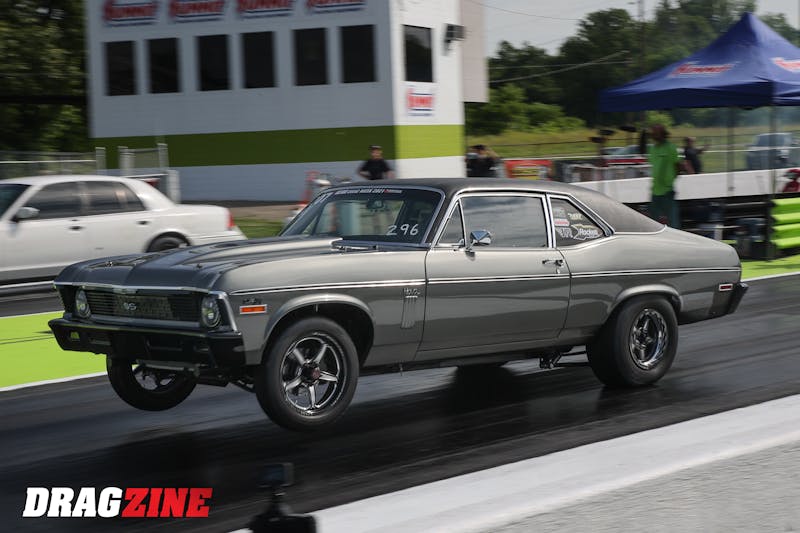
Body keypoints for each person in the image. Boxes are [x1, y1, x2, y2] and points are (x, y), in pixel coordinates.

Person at [647, 124, 681, 228]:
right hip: (655, 191)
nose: (654, 135)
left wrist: (670, 181)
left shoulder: (670, 147)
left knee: (673, 222)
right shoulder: (652, 149)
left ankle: (676, 237)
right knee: (653, 223)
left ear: (663, 134)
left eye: (656, 133)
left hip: (667, 191)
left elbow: (677, 166)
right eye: (653, 133)